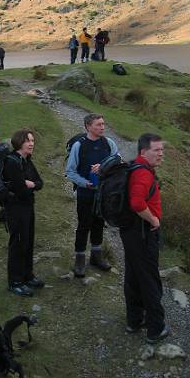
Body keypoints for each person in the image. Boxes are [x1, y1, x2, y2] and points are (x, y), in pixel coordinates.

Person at [121, 133, 169, 344]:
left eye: (161, 150)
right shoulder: (143, 174)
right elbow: (137, 203)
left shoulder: (135, 167)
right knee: (150, 279)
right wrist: (154, 220)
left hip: (131, 231)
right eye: (156, 150)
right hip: (143, 232)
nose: (161, 154)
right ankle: (155, 329)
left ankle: (134, 320)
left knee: (133, 274)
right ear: (143, 152)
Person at [66, 113, 118, 277]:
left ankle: (96, 257)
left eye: (103, 124)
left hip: (103, 193)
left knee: (98, 223)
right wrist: (84, 183)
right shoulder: (79, 146)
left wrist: (104, 166)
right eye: (98, 125)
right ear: (88, 126)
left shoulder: (108, 143)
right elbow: (70, 171)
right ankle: (79, 260)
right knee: (83, 225)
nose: (102, 127)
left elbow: (118, 161)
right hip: (85, 193)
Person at [3, 129, 44, 297]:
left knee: (28, 241)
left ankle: (28, 275)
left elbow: (40, 183)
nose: (32, 144)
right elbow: (20, 189)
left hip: (27, 206)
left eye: (33, 140)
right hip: (16, 208)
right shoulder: (12, 162)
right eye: (28, 141)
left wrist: (31, 184)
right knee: (18, 243)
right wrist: (29, 186)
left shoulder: (26, 160)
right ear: (19, 142)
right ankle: (15, 281)